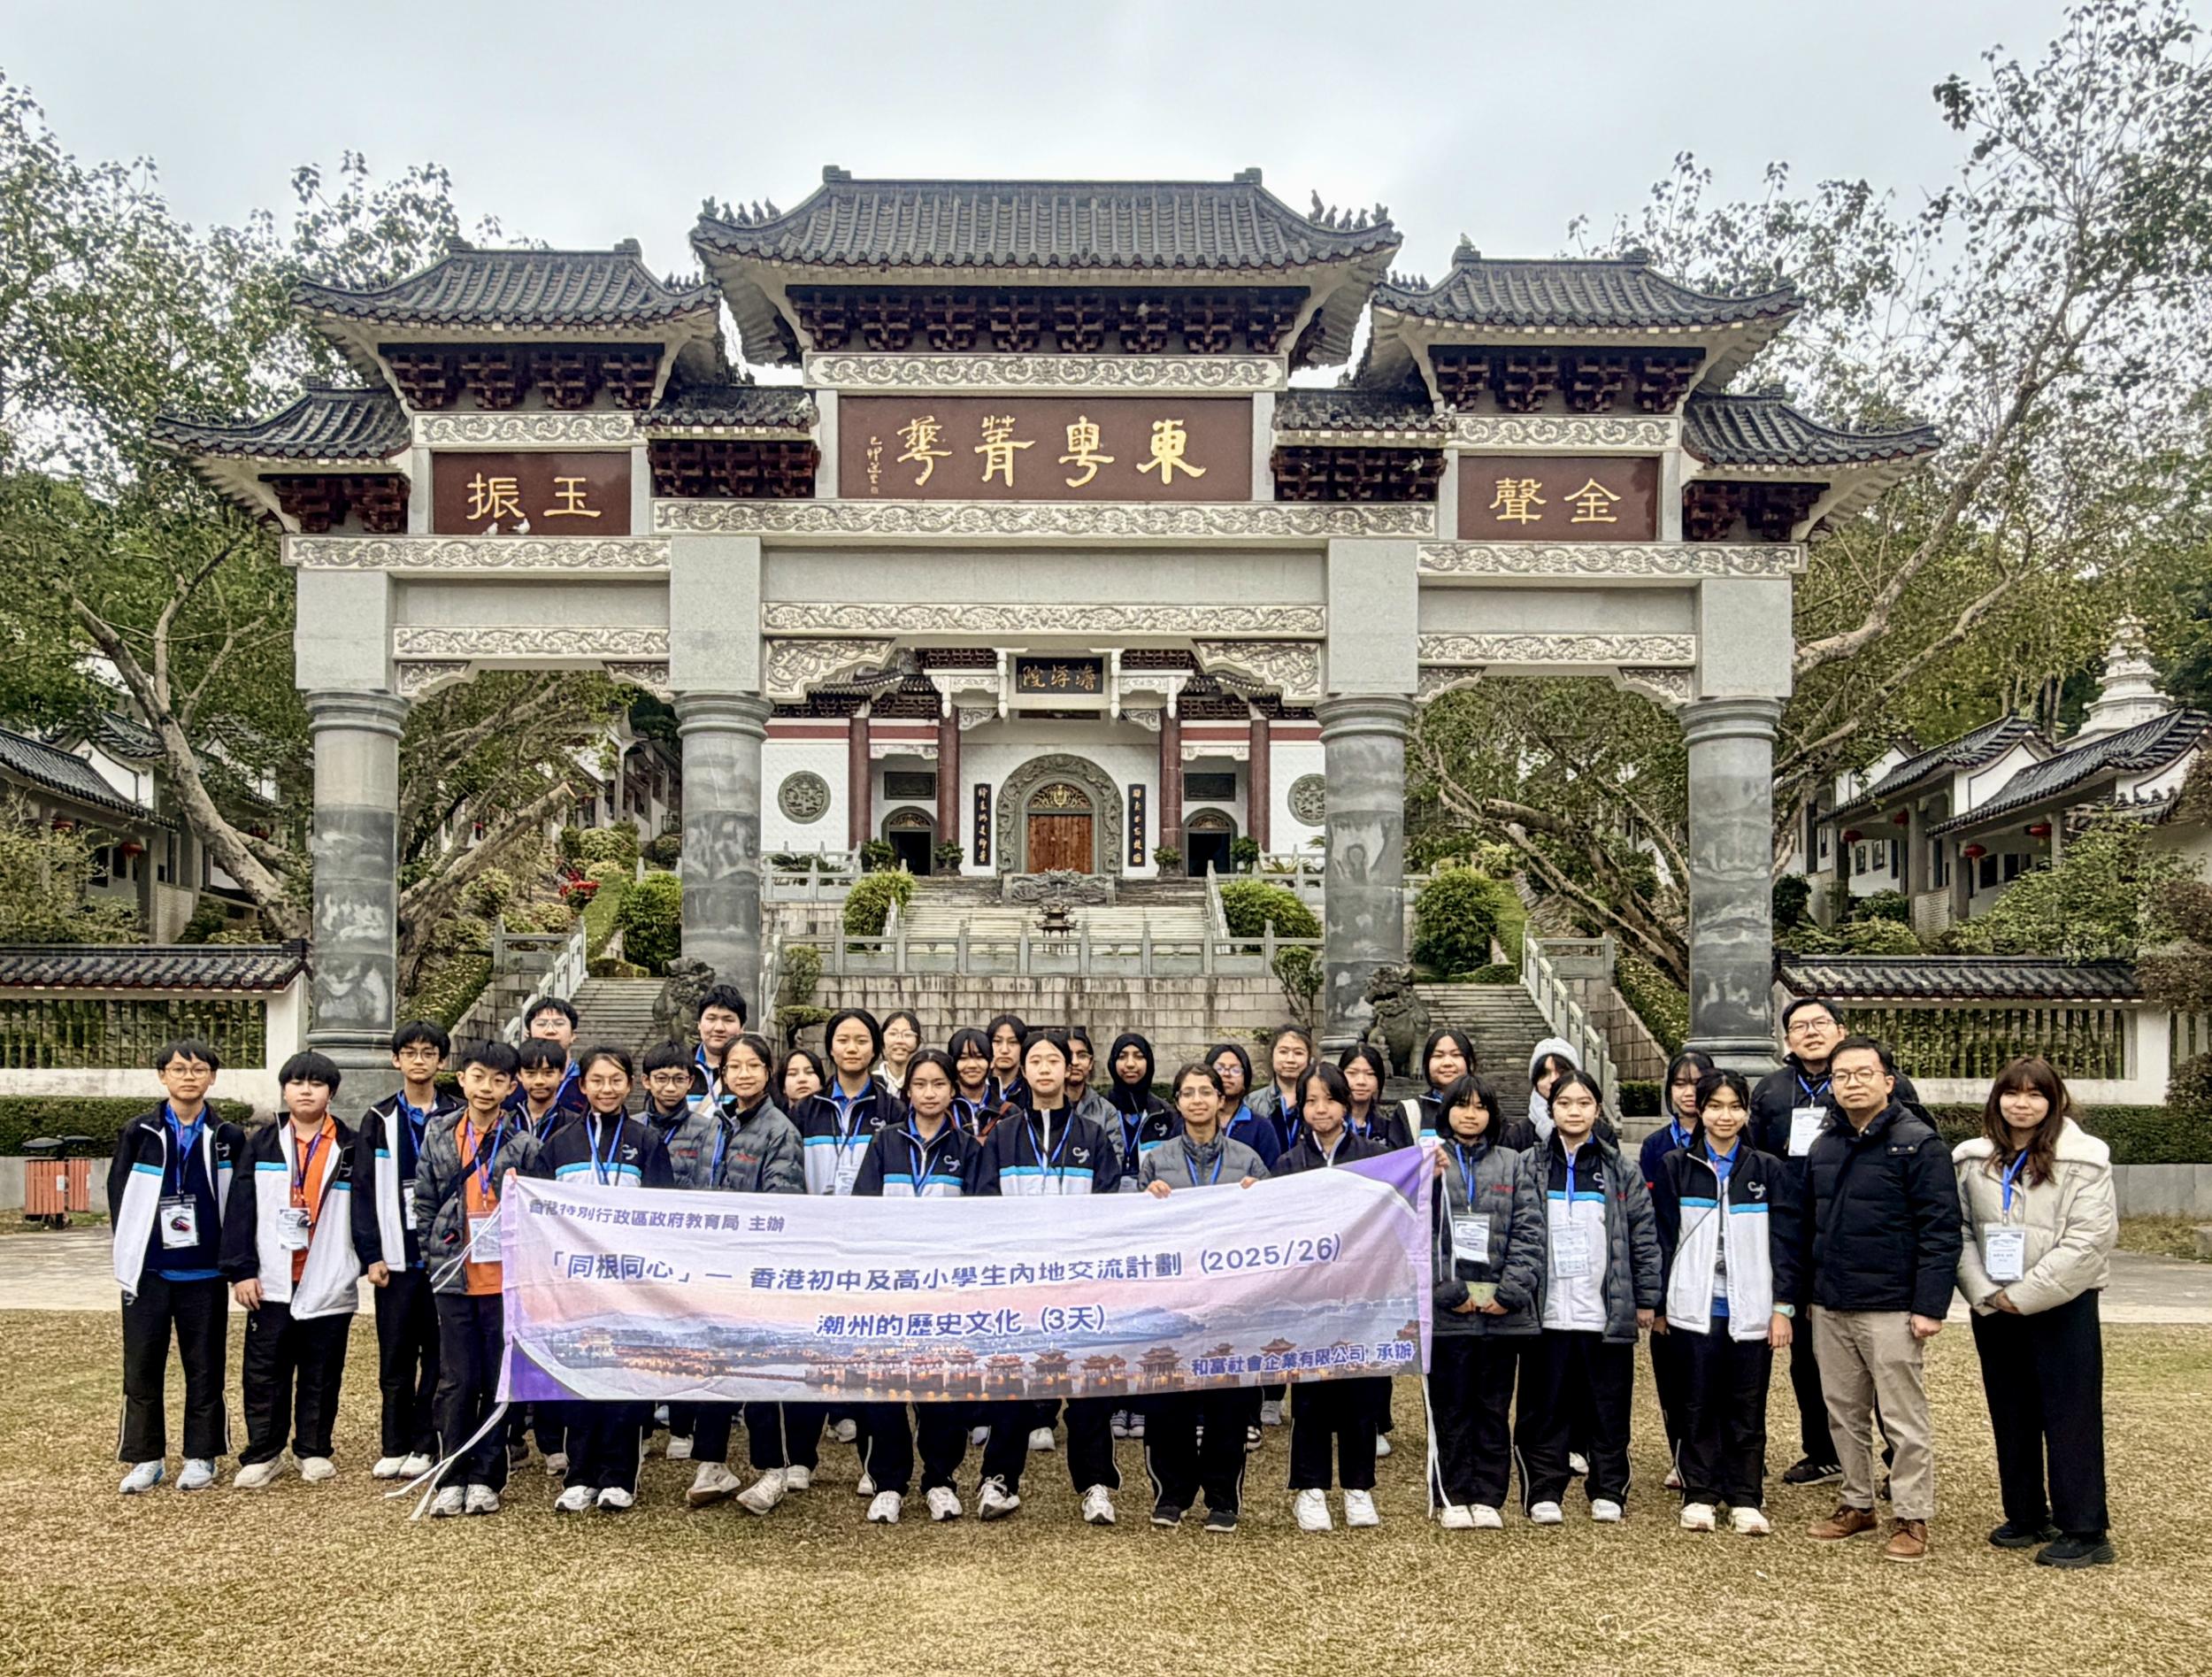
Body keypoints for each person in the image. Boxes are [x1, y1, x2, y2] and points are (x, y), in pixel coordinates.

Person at [1750, 996, 1924, 1488]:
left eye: (1820, 1023)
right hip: (1800, 1231)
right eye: (1799, 1026)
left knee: (1883, 1360)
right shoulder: (1772, 1091)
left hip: (1869, 1234)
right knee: (1810, 1355)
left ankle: (1895, 1461)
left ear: (1841, 1030)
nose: (1811, 1032)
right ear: (1787, 1039)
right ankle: (1823, 1452)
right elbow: (1757, 1156)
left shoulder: (1884, 1082)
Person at [1799, 1035, 1961, 1563]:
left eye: (1863, 1073)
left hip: (1892, 1304)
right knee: (1843, 1412)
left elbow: (1941, 1230)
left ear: (1888, 1081)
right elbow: (1808, 1225)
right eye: (1841, 1076)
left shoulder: (1918, 1143)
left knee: (1901, 1416)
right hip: (1831, 1302)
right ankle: (1856, 1502)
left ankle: (1912, 1515)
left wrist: (1930, 1305)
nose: (1852, 1083)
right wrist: (1807, 1294)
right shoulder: (1824, 1145)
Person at [1954, 1057, 2116, 1568]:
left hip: (2063, 1304)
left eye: (2035, 1094)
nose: (2021, 1104)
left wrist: (2024, 1295)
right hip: (1993, 1305)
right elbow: (1957, 1230)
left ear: (2054, 1101)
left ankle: (2085, 1528)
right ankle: (2025, 1513)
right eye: (2012, 1093)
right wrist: (1985, 1292)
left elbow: (2089, 1240)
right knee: (2011, 1411)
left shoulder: (2086, 1160)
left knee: (2071, 1415)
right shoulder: (1972, 1159)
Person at [972, 1028, 1122, 1523]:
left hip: (1078, 1282)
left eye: (1052, 1061)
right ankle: (999, 1478)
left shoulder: (1092, 1135)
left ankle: (1096, 1483)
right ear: (1023, 1070)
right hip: (1019, 1284)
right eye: (1034, 1060)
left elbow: (1108, 1208)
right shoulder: (1004, 1135)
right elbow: (984, 1204)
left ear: (1068, 1069)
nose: (1043, 1068)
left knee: (1087, 1386)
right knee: (1013, 1382)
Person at [1649, 1069, 1798, 1536]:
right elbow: (1661, 1237)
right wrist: (1658, 1305)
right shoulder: (1676, 1165)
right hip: (1693, 1307)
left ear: (1747, 1113)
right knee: (1695, 1403)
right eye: (1715, 1106)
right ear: (1700, 1110)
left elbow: (1786, 1242)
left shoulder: (1766, 1169)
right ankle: (1700, 1493)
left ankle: (1745, 1495)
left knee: (1747, 1405)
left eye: (1735, 1106)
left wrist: (1783, 1307)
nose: (1725, 1116)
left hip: (1750, 1307)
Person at [1518, 1068, 1661, 1527]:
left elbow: (1643, 1238)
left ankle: (1608, 1487)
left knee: (1608, 1407)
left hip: (1604, 1310)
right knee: (1544, 1407)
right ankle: (1544, 1488)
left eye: (1583, 1103)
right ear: (1551, 1109)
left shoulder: (1620, 1169)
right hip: (1547, 1311)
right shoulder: (1530, 1165)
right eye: (1564, 1103)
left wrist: (1647, 1298)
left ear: (1597, 1109)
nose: (1574, 1111)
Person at [537, 1049, 674, 1513]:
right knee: (581, 1376)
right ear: (582, 1086)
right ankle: (579, 1474)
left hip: (630, 1283)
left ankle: (618, 1475)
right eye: (597, 1080)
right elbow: (540, 1211)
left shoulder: (646, 1140)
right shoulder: (561, 1143)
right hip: (575, 1283)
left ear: (630, 1085)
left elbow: (663, 1212)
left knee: (626, 1378)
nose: (606, 1089)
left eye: (616, 1080)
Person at [849, 1049, 983, 1523]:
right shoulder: (885, 1142)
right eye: (920, 1085)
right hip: (890, 1286)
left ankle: (940, 1480)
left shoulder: (968, 1149)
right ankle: (889, 1482)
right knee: (885, 1388)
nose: (929, 1093)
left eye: (939, 1084)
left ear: (953, 1091)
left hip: (945, 1289)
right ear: (907, 1091)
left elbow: (983, 1218)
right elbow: (862, 1211)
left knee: (940, 1388)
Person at [110, 1038, 246, 1495]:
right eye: (179, 1069)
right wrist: (132, 1251)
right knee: (141, 1368)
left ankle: (201, 1455)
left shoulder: (227, 1136)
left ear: (212, 1077)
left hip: (204, 1274)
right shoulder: (140, 1132)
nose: (189, 1077)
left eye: (198, 1069)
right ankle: (145, 1457)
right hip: (149, 1273)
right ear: (162, 1076)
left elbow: (240, 1204)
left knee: (204, 1368)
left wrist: (234, 1261)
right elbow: (119, 1196)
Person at [1138, 1061, 1269, 1531]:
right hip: (1172, 1299)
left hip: (1230, 1300)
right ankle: (1171, 1494)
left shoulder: (1247, 1161)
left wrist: (1259, 1198)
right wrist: (1145, 1198)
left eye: (1205, 1092)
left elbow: (1270, 1228)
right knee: (1166, 1399)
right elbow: (1134, 1230)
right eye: (1188, 1093)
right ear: (1177, 1102)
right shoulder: (1156, 1161)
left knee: (1227, 1403)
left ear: (1221, 1099)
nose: (1197, 1100)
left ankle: (1222, 1497)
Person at [222, 1050, 362, 1489]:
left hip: (327, 1277)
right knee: (265, 1371)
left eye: (316, 1084)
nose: (306, 1091)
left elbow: (367, 1212)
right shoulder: (261, 1144)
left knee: (322, 1371)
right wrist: (241, 1270)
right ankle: (264, 1453)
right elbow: (240, 1209)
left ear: (331, 1093)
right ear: (284, 1090)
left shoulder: (352, 1145)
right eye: (297, 1083)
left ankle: (313, 1449)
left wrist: (365, 1261)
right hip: (271, 1280)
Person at [416, 1039, 536, 1517]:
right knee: (456, 1380)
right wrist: (432, 1257)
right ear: (461, 1078)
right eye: (478, 1077)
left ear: (511, 1087)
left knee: (496, 1380)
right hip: (454, 1276)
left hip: (505, 1281)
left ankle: (487, 1476)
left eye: (498, 1080)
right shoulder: (439, 1133)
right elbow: (425, 1200)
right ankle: (451, 1474)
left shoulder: (524, 1144)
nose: (487, 1087)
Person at [1426, 1073, 1543, 1532]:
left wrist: (1509, 1292)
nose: (1470, 1115)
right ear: (1447, 1111)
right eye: (1461, 1105)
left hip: (1500, 1311)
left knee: (1493, 1408)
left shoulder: (1513, 1163)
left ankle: (1489, 1495)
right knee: (1451, 1407)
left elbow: (1530, 1230)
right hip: (1449, 1312)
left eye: (1480, 1107)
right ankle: (1452, 1494)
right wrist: (1447, 1291)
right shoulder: (1430, 1160)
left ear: (1493, 1115)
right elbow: (1418, 1231)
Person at [1277, 1062, 1387, 1531]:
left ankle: (1359, 1487)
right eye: (1311, 1101)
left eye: (1330, 1099)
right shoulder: (1287, 1165)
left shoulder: (1376, 1158)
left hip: (1362, 1297)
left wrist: (1432, 1172)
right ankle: (1311, 1488)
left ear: (1346, 1103)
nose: (1321, 1109)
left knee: (1362, 1395)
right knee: (1310, 1398)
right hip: (1308, 1301)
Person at [353, 1020, 460, 1482]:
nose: (420, 1060)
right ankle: (394, 1444)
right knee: (396, 1357)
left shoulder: (456, 1114)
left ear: (442, 1060)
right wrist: (371, 1254)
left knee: (439, 1357)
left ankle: (425, 1443)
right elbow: (361, 1191)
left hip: (445, 1259)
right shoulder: (378, 1119)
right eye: (411, 1052)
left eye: (428, 1052)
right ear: (396, 1060)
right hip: (396, 1260)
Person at [1640, 1048, 1715, 1488]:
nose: (1689, 1092)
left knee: (1722, 1372)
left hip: (1718, 1271)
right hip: (1670, 1266)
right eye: (1680, 1084)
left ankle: (1730, 1454)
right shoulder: (1656, 1145)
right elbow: (1650, 1217)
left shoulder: (1734, 1138)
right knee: (1673, 1373)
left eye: (1698, 1083)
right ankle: (1682, 1454)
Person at [1103, 1031, 1179, 1189]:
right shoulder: (1100, 1110)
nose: (1130, 1064)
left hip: (1154, 1196)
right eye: (1122, 1057)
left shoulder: (1165, 1114)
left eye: (1138, 1056)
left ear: (1149, 1062)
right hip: (1108, 1197)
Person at [1208, 1042, 1283, 1171]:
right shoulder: (1191, 1123)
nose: (1226, 1074)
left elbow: (1272, 1173)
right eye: (1219, 1069)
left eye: (1235, 1070)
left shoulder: (1261, 1127)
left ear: (1245, 1079)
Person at [1246, 1024, 1314, 1147]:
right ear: (1272, 1056)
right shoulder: (1252, 1102)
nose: (1290, 1060)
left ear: (1309, 1059)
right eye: (1283, 1052)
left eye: (1298, 1053)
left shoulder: (1316, 1100)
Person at [1340, 1043, 1414, 1150]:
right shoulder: (1330, 1123)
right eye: (1352, 1073)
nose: (1361, 1081)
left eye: (1370, 1074)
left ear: (1379, 1081)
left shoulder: (1389, 1127)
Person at [519, 996, 586, 1115]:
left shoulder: (586, 1080)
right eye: (541, 1024)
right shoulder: (509, 1082)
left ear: (573, 1035)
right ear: (528, 1034)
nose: (550, 1031)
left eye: (559, 1024)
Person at [689, 982, 749, 1109]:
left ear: (742, 1027)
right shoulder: (681, 1068)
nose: (719, 1028)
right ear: (699, 1024)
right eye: (711, 1019)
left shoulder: (753, 1072)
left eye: (728, 1020)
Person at [1526, 1038, 1578, 1140]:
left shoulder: (1600, 1132)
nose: (1553, 1080)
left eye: (1561, 1072)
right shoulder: (1518, 1135)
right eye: (1545, 1074)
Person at [948, 1027, 996, 1128]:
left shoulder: (1009, 1112)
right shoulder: (943, 1110)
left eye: (979, 1057)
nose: (972, 1065)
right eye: (963, 1058)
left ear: (992, 1062)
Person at [984, 1012, 1028, 1110]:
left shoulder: (1032, 1088)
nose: (1004, 1050)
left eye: (1013, 1042)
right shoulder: (979, 1086)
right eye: (997, 1041)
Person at [877, 1008, 923, 1092]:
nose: (899, 1041)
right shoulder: (870, 1081)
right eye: (893, 1034)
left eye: (907, 1035)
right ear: (882, 1040)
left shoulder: (924, 1080)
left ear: (918, 1042)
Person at [780, 1046, 827, 1112]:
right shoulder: (774, 1118)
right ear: (783, 1087)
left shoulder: (835, 1115)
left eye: (809, 1072)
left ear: (821, 1083)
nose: (802, 1079)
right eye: (793, 1074)